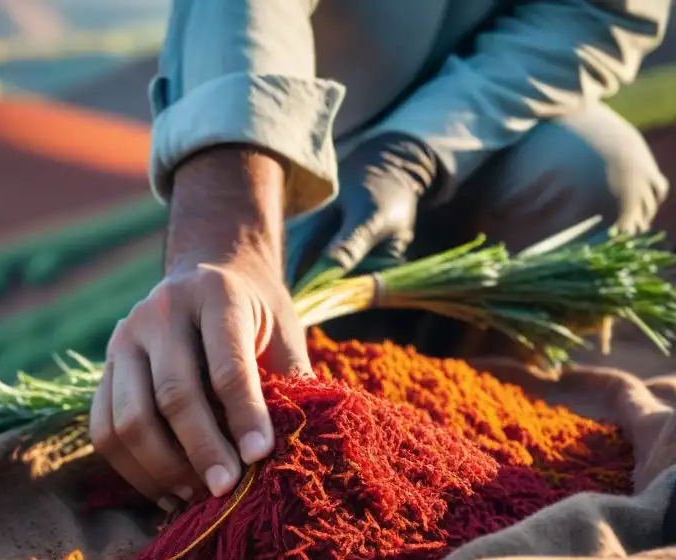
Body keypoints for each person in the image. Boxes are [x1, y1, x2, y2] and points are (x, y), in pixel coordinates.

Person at [89, 0, 672, 511]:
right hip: (294, 128)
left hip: (484, 115)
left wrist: (412, 150)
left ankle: (474, 403)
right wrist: (226, 225)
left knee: (595, 170)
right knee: (244, 326)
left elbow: (594, 12)